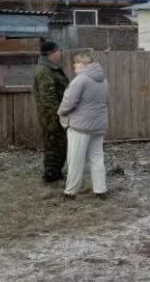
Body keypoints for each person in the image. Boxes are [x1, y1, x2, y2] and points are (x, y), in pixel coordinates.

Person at [58, 52, 109, 200]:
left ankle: (70, 192)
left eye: (77, 62)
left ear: (85, 64)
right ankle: (100, 190)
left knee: (75, 160)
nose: (74, 65)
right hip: (98, 126)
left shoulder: (81, 80)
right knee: (97, 158)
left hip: (80, 127)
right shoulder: (103, 80)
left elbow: (69, 102)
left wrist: (60, 112)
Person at [33, 40, 70, 183]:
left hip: (56, 115)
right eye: (58, 51)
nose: (60, 53)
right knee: (53, 145)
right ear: (51, 53)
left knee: (59, 145)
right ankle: (51, 176)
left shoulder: (50, 68)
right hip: (52, 117)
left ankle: (56, 173)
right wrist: (58, 117)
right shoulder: (44, 71)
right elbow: (48, 99)